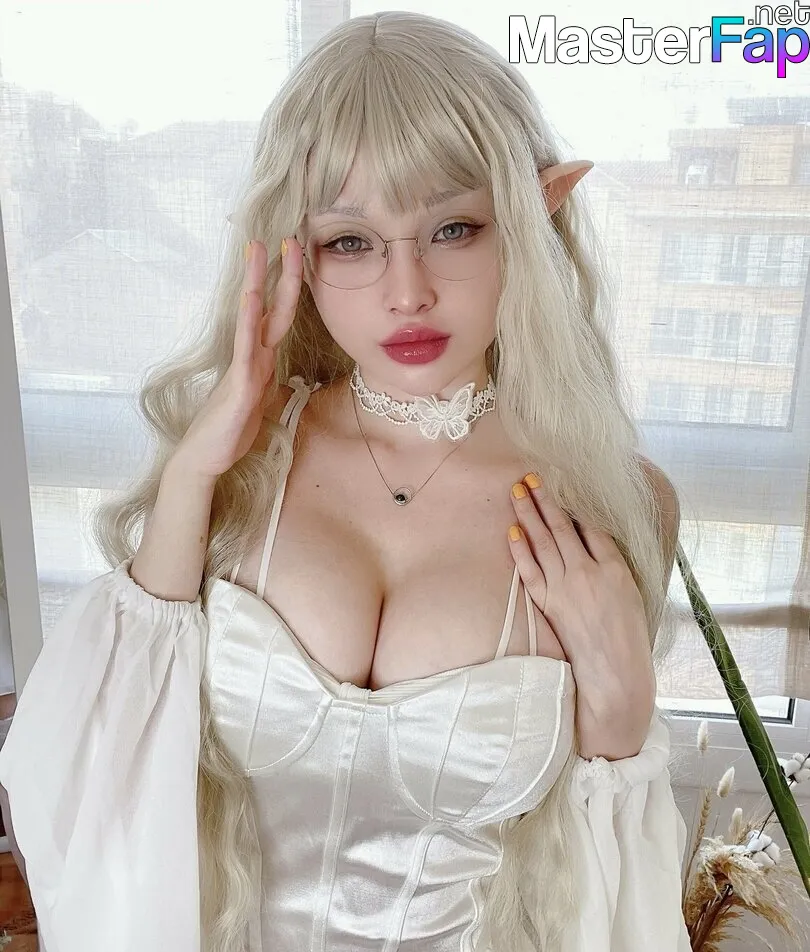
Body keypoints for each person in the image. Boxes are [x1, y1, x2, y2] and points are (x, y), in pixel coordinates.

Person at [0, 10, 690, 952]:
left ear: (542, 211)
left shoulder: (612, 504)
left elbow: (601, 893)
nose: (407, 292)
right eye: (351, 242)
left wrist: (622, 711)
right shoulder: (239, 467)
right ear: (296, 251)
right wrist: (193, 472)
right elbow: (91, 782)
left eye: (453, 227)